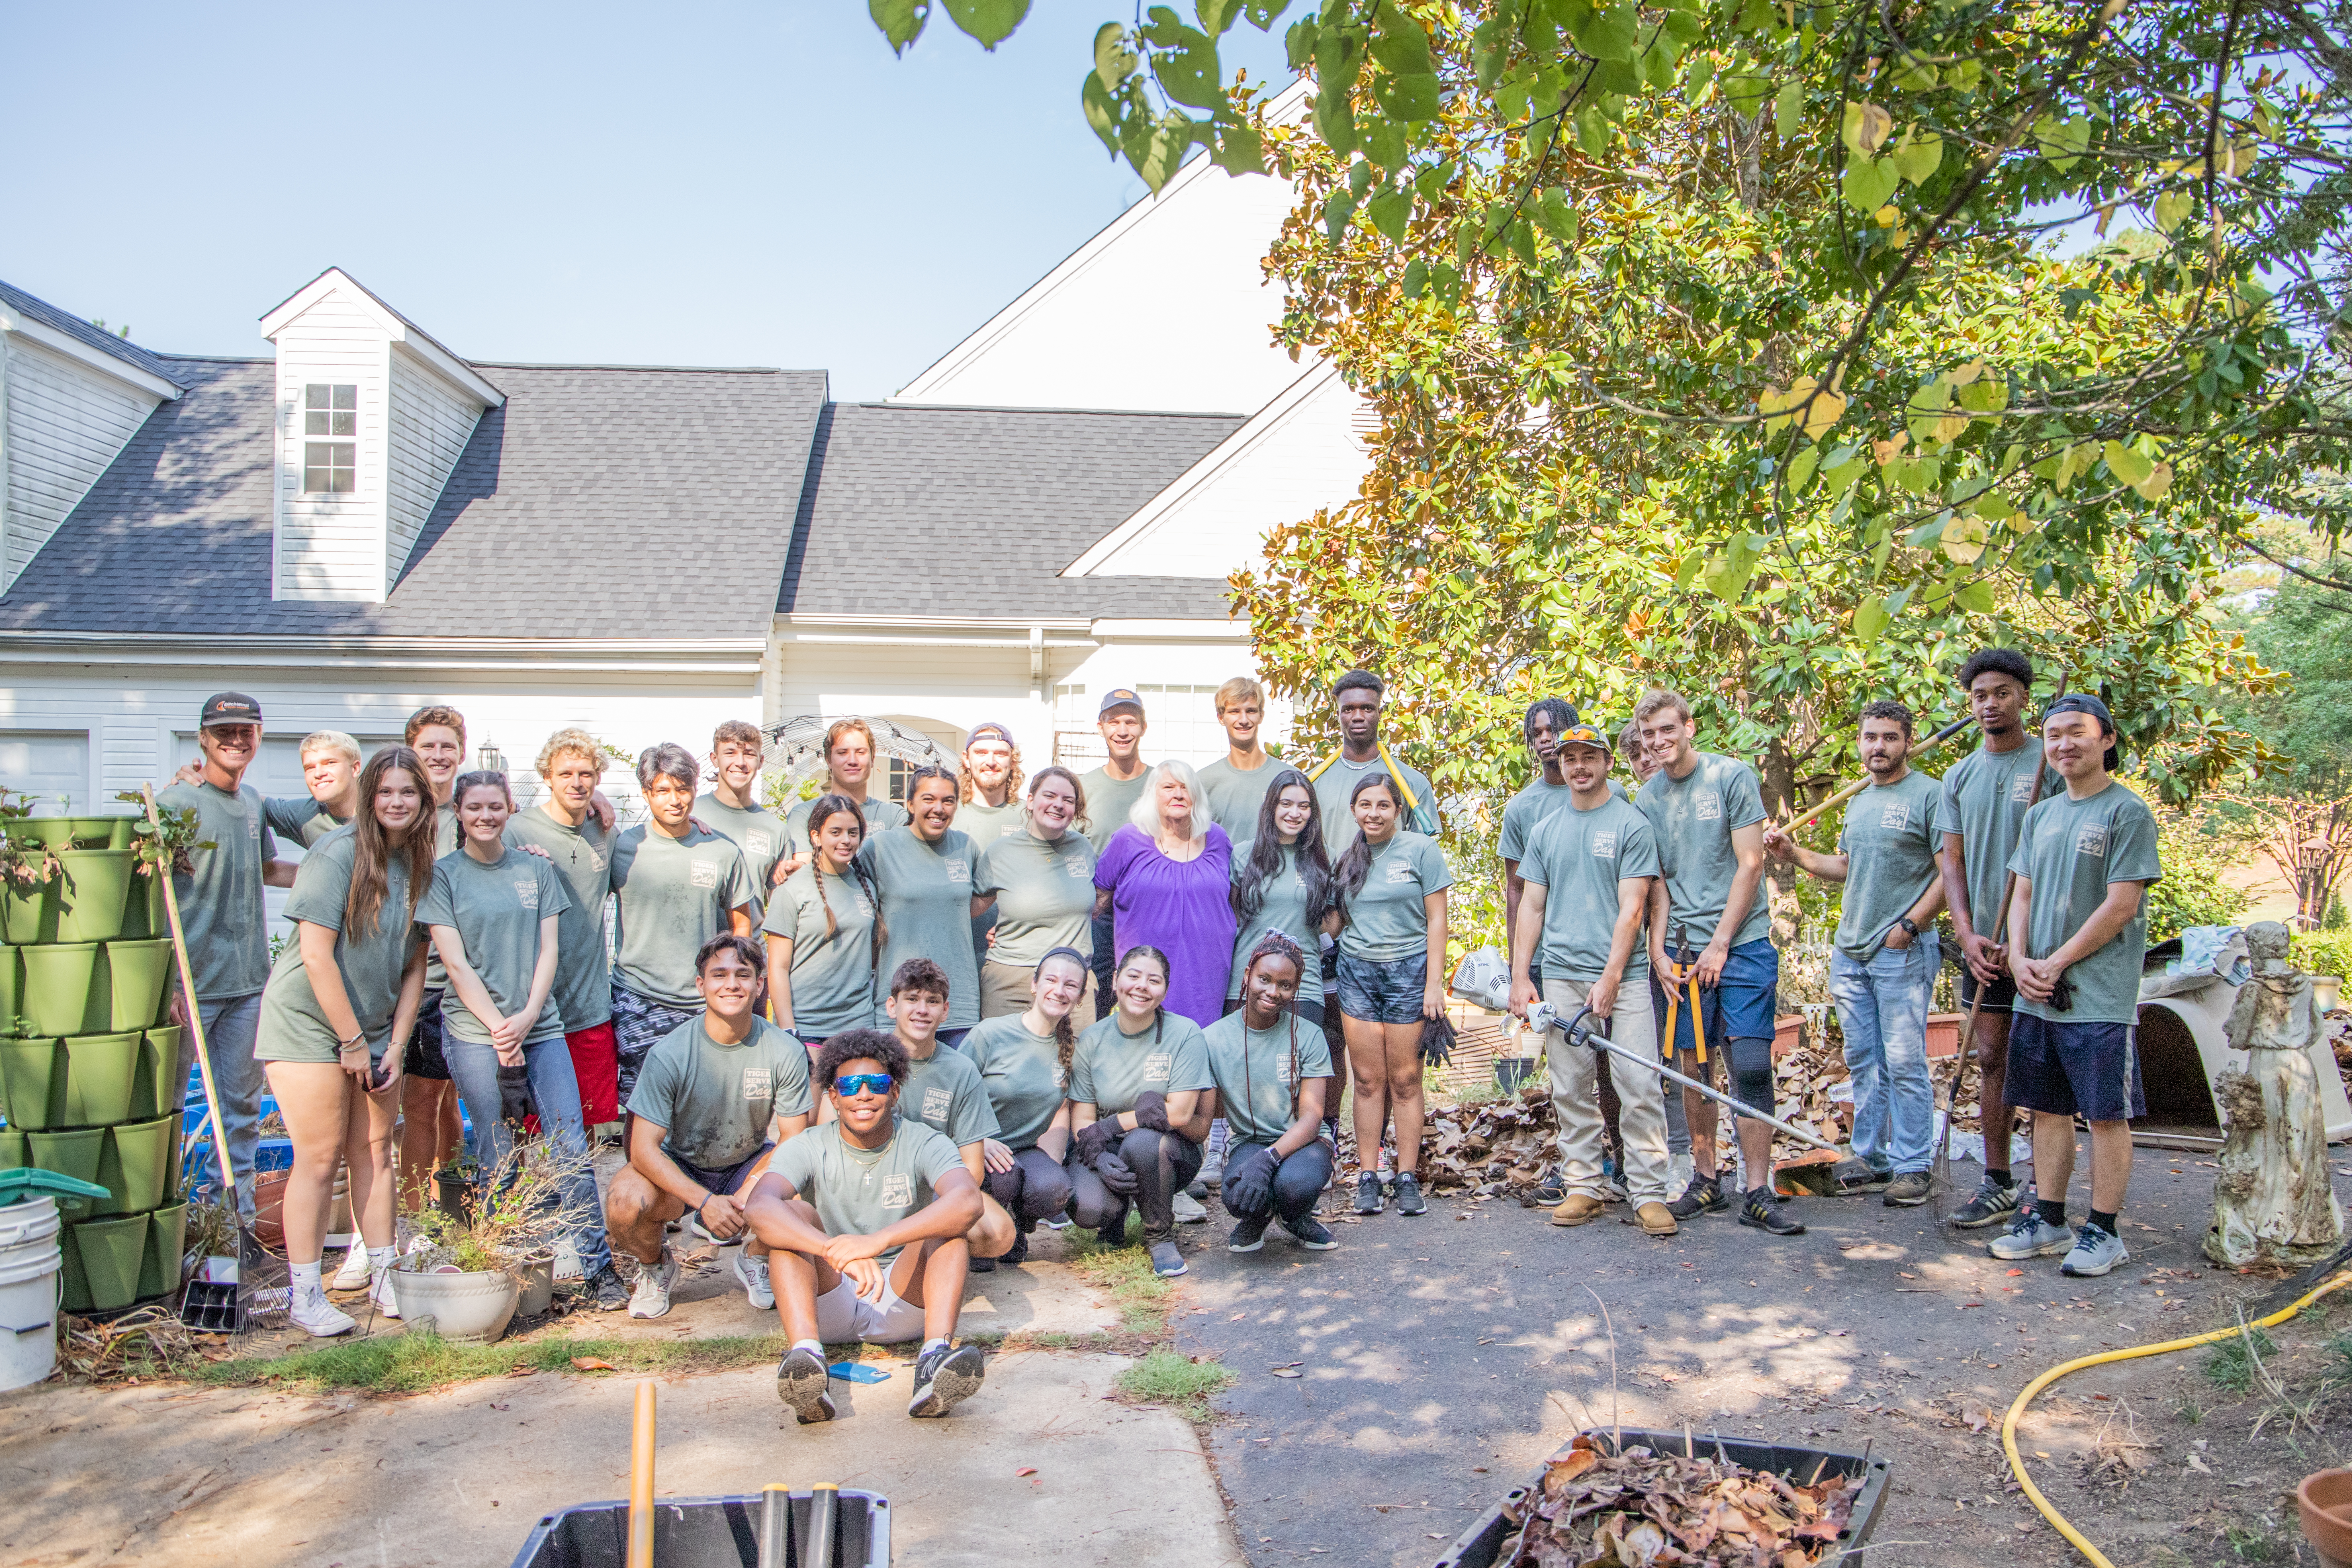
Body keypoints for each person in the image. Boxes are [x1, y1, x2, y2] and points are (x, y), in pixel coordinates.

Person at [419, 769, 627, 1310]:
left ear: (510, 808)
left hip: (543, 1029)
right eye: (474, 808)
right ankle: (499, 1274)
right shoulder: (443, 875)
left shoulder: (535, 869)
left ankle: (597, 1268)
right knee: (496, 1153)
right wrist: (497, 1027)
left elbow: (548, 951)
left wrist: (528, 1015)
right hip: (473, 1034)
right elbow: (455, 962)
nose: (485, 816)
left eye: (495, 806)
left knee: (570, 1151)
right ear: (459, 813)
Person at [253, 745, 432, 1334]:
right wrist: (351, 1041)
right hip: (308, 1024)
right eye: (386, 792)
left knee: (376, 1150)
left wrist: (395, 1043)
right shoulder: (336, 852)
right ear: (367, 795)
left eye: (409, 792)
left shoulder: (421, 861)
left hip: (377, 1027)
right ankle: (305, 1294)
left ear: (424, 799)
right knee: (321, 1156)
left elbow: (414, 965)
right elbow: (315, 954)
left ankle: (386, 1279)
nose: (397, 802)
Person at [1989, 693, 2161, 1279]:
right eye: (2053, 734)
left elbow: (2120, 904)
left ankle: (2104, 1230)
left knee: (2104, 1113)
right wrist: (2018, 957)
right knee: (2045, 1108)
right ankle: (2049, 1218)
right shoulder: (2041, 813)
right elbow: (2024, 893)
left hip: (2097, 994)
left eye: (2076, 732)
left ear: (2106, 738)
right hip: (2035, 988)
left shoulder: (2126, 812)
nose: (2063, 743)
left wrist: (2056, 960)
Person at [748, 1030, 990, 1423]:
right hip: (831, 1298)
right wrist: (832, 1249)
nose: (863, 1094)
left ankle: (933, 1362)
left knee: (948, 1226)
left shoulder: (924, 1141)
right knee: (793, 1219)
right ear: (832, 1096)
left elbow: (968, 1201)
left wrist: (876, 1242)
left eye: (876, 1083)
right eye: (849, 1085)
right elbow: (758, 1208)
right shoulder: (808, 1145)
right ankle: (808, 1363)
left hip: (902, 1296)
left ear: (894, 1092)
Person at [1633, 690, 1803, 1237]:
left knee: (1749, 1063)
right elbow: (1654, 886)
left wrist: (1721, 943)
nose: (1658, 742)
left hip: (1742, 944)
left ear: (1687, 726)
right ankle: (1706, 1180)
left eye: (1666, 729)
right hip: (1681, 953)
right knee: (1694, 1069)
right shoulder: (1646, 800)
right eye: (1649, 735)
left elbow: (1751, 862)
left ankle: (1758, 1187)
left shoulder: (1730, 776)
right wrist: (1658, 951)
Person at [1763, 701, 1947, 1209]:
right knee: (1864, 1058)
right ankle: (1872, 1156)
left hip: (1900, 949)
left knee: (1906, 1060)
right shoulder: (1860, 799)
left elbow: (1950, 873)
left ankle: (1914, 1165)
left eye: (1889, 737)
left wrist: (1911, 926)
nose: (1878, 747)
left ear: (1907, 740)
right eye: (1870, 738)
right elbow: (1848, 866)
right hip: (1853, 951)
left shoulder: (1930, 796)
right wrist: (1793, 855)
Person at [1507, 720, 1678, 1237]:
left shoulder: (1630, 825)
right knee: (1571, 1087)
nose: (1578, 767)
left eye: (1588, 757)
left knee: (1639, 1084)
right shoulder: (1545, 830)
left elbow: (1634, 911)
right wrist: (1520, 977)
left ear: (1606, 762)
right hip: (1560, 977)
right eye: (1569, 759)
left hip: (1622, 981)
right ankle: (1584, 1185)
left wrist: (1610, 979)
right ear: (1559, 766)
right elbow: (1531, 907)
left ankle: (1649, 1192)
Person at [608, 934, 813, 1319]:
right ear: (701, 985)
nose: (732, 984)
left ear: (760, 984)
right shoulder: (669, 1053)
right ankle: (655, 1267)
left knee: (808, 1186)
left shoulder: (784, 1050)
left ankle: (755, 1258)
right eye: (718, 975)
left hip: (747, 1162)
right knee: (624, 1200)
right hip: (680, 1164)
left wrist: (752, 1193)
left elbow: (795, 1138)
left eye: (743, 974)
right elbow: (642, 1148)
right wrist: (705, 1202)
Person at [1937, 648, 2056, 1229]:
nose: (1990, 703)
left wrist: (2022, 939)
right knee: (1991, 1058)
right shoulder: (1958, 776)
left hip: (2039, 942)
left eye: (2002, 692)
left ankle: (2047, 1188)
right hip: (1982, 943)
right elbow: (1951, 862)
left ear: (2023, 698)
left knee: (2044, 1059)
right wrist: (1967, 933)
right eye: (1981, 694)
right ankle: (1997, 1180)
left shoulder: (2048, 766)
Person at [158, 692, 287, 1216]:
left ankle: (230, 1227)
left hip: (247, 987)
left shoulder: (252, 802)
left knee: (240, 1111)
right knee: (168, 1109)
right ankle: (170, 1220)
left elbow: (265, 870)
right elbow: (151, 891)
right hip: (189, 988)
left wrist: (343, 879)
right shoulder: (174, 805)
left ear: (257, 737)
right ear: (203, 738)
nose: (236, 740)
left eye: (246, 730)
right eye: (224, 731)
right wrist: (164, 981)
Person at [608, 744, 759, 1099]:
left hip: (704, 1002)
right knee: (641, 1105)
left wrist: (730, 984)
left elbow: (742, 927)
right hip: (638, 998)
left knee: (705, 1100)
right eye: (662, 791)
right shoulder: (624, 847)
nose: (675, 800)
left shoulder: (722, 850)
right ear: (646, 793)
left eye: (683, 788)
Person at [1334, 771, 1452, 1217]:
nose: (1374, 813)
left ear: (1398, 810)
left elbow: (1437, 920)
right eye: (1365, 805)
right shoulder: (1346, 860)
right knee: (1367, 1082)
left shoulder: (1420, 850)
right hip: (1358, 973)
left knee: (1405, 1080)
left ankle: (1405, 1177)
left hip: (1409, 972)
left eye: (1383, 805)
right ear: (1353, 811)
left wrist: (1434, 984)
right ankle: (1368, 1174)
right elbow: (1333, 923)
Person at [504, 729, 624, 1140]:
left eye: (587, 774)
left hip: (589, 1006)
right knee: (525, 1124)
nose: (577, 782)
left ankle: (574, 1204)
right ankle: (526, 1206)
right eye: (566, 773)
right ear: (547, 777)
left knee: (585, 1126)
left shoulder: (605, 833)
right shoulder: (515, 832)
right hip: (530, 1008)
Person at [1070, 946, 1217, 1277]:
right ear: (1116, 981)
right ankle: (1114, 1216)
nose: (1142, 986)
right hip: (1108, 1147)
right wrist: (1098, 1156)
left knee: (1141, 1142)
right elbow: (1081, 1117)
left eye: (1154, 980)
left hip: (1167, 1149)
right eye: (1133, 976)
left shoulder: (1184, 1033)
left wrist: (1109, 1125)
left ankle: (1160, 1235)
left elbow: (1178, 1114)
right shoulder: (1092, 1039)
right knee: (1088, 1208)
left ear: (1165, 990)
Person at [1227, 771, 1342, 1155]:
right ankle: (1231, 1146)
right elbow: (1230, 914)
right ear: (1271, 806)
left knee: (1297, 1071)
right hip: (1247, 979)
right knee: (1245, 1068)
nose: (1295, 813)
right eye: (1287, 803)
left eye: (1304, 806)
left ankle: (1301, 1149)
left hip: (1303, 985)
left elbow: (1332, 920)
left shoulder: (1319, 862)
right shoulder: (1244, 855)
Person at [881, 959, 1019, 1270]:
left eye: (932, 1001)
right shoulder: (869, 1058)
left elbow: (973, 1166)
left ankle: (919, 1254)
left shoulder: (961, 1070)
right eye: (912, 999)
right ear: (893, 1006)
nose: (922, 1009)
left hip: (934, 1188)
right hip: (874, 1180)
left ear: (945, 1011)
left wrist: (937, 1209)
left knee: (999, 1233)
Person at [1205, 935, 1340, 1253]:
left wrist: (1268, 1160)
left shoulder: (1309, 1035)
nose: (1273, 992)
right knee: (1236, 1193)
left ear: (1295, 989)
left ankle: (1295, 1215)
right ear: (1247, 974)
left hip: (1305, 1141)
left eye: (1285, 985)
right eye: (1264, 979)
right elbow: (1205, 1112)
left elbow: (1312, 1117)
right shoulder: (1212, 1038)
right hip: (1249, 1140)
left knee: (1294, 1186)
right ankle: (1261, 1214)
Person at [1093, 760, 1237, 1028]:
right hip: (1143, 977)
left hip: (1207, 975)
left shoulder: (1217, 838)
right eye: (1169, 787)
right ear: (1152, 795)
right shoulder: (1128, 840)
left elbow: (1235, 902)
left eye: (1186, 788)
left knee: (1198, 1051)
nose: (1178, 794)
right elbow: (1095, 902)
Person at [396, 703, 470, 1215]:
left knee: (448, 1102)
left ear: (461, 753)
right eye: (429, 747)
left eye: (448, 746)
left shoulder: (471, 809)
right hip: (413, 983)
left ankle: (451, 1212)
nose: (439, 756)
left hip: (462, 983)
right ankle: (413, 1218)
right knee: (420, 1103)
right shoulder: (401, 811)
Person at [962, 949, 1083, 1240]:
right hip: (974, 1146)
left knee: (1055, 1189)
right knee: (1004, 1177)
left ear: (1080, 997)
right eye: (1051, 980)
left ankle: (1018, 1226)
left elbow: (1059, 1110)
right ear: (1034, 984)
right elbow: (954, 1093)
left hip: (1024, 1149)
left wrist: (1052, 1168)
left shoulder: (1071, 1050)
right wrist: (978, 1140)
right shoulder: (991, 1033)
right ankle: (982, 1235)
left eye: (1070, 985)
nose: (1059, 990)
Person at [861, 764, 984, 1049]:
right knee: (895, 1090)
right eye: (928, 799)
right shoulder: (880, 848)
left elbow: (979, 899)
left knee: (954, 1088)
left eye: (948, 801)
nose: (938, 808)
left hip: (957, 1003)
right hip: (900, 1002)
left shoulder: (966, 847)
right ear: (910, 803)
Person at [974, 767, 1098, 1019]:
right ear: (1030, 801)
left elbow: (1097, 902)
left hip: (1073, 978)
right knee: (1005, 1058)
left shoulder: (1083, 848)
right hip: (1011, 978)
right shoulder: (1001, 852)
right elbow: (971, 908)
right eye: (1050, 796)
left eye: (1068, 800)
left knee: (1076, 1058)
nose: (1058, 805)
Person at [764, 793, 884, 1045]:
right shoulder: (791, 890)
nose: (846, 840)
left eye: (853, 833)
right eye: (836, 832)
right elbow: (777, 968)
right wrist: (789, 1030)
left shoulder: (868, 888)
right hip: (807, 1027)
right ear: (816, 836)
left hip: (859, 1026)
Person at [1309, 670, 1438, 857]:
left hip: (1390, 886)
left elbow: (1425, 857)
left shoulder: (1412, 782)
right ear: (1338, 715)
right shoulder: (1312, 782)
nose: (1358, 716)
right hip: (1327, 886)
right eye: (1348, 709)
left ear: (1380, 713)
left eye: (1367, 708)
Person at [1080, 689, 1154, 1016]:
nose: (1122, 731)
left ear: (1143, 728)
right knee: (1098, 999)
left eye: (1130, 722)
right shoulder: (1083, 788)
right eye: (1113, 722)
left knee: (1144, 995)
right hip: (1096, 915)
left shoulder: (1161, 784)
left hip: (1147, 909)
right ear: (1101, 727)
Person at [781, 718, 912, 874]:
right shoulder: (804, 814)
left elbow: (900, 872)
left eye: (861, 752)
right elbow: (806, 873)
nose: (852, 761)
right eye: (843, 753)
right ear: (829, 760)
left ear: (873, 759)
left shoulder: (894, 816)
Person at [698, 720, 789, 895]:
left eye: (749, 754)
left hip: (753, 924)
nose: (740, 762)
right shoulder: (692, 815)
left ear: (761, 761)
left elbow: (781, 907)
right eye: (730, 753)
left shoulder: (776, 830)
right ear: (715, 760)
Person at [1193, 677, 1280, 838]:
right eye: (1234, 711)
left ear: (1261, 715)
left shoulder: (1286, 777)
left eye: (1251, 711)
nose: (1244, 720)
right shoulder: (1203, 782)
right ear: (1221, 717)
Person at [265, 730, 362, 846]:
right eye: (310, 768)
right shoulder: (307, 815)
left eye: (330, 763)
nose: (318, 774)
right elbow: (253, 802)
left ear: (355, 768)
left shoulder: (382, 811)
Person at [954, 722, 1028, 847]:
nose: (991, 762)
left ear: (1013, 762)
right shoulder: (949, 814)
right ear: (966, 759)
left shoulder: (1030, 816)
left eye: (1001, 754)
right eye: (981, 753)